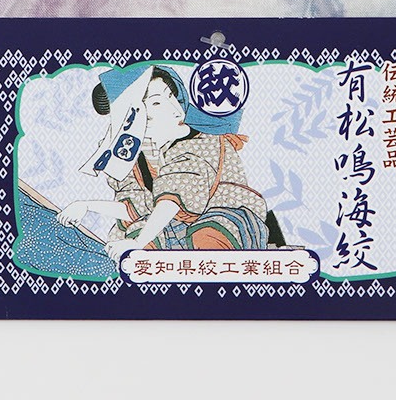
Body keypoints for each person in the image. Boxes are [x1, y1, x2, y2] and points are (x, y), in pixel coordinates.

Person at [58, 66, 268, 262]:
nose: (176, 109)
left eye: (171, 96)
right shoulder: (131, 154)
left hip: (229, 219)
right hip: (171, 225)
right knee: (135, 237)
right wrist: (86, 206)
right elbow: (135, 208)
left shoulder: (201, 141)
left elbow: (171, 202)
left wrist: (138, 244)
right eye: (157, 103)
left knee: (207, 234)